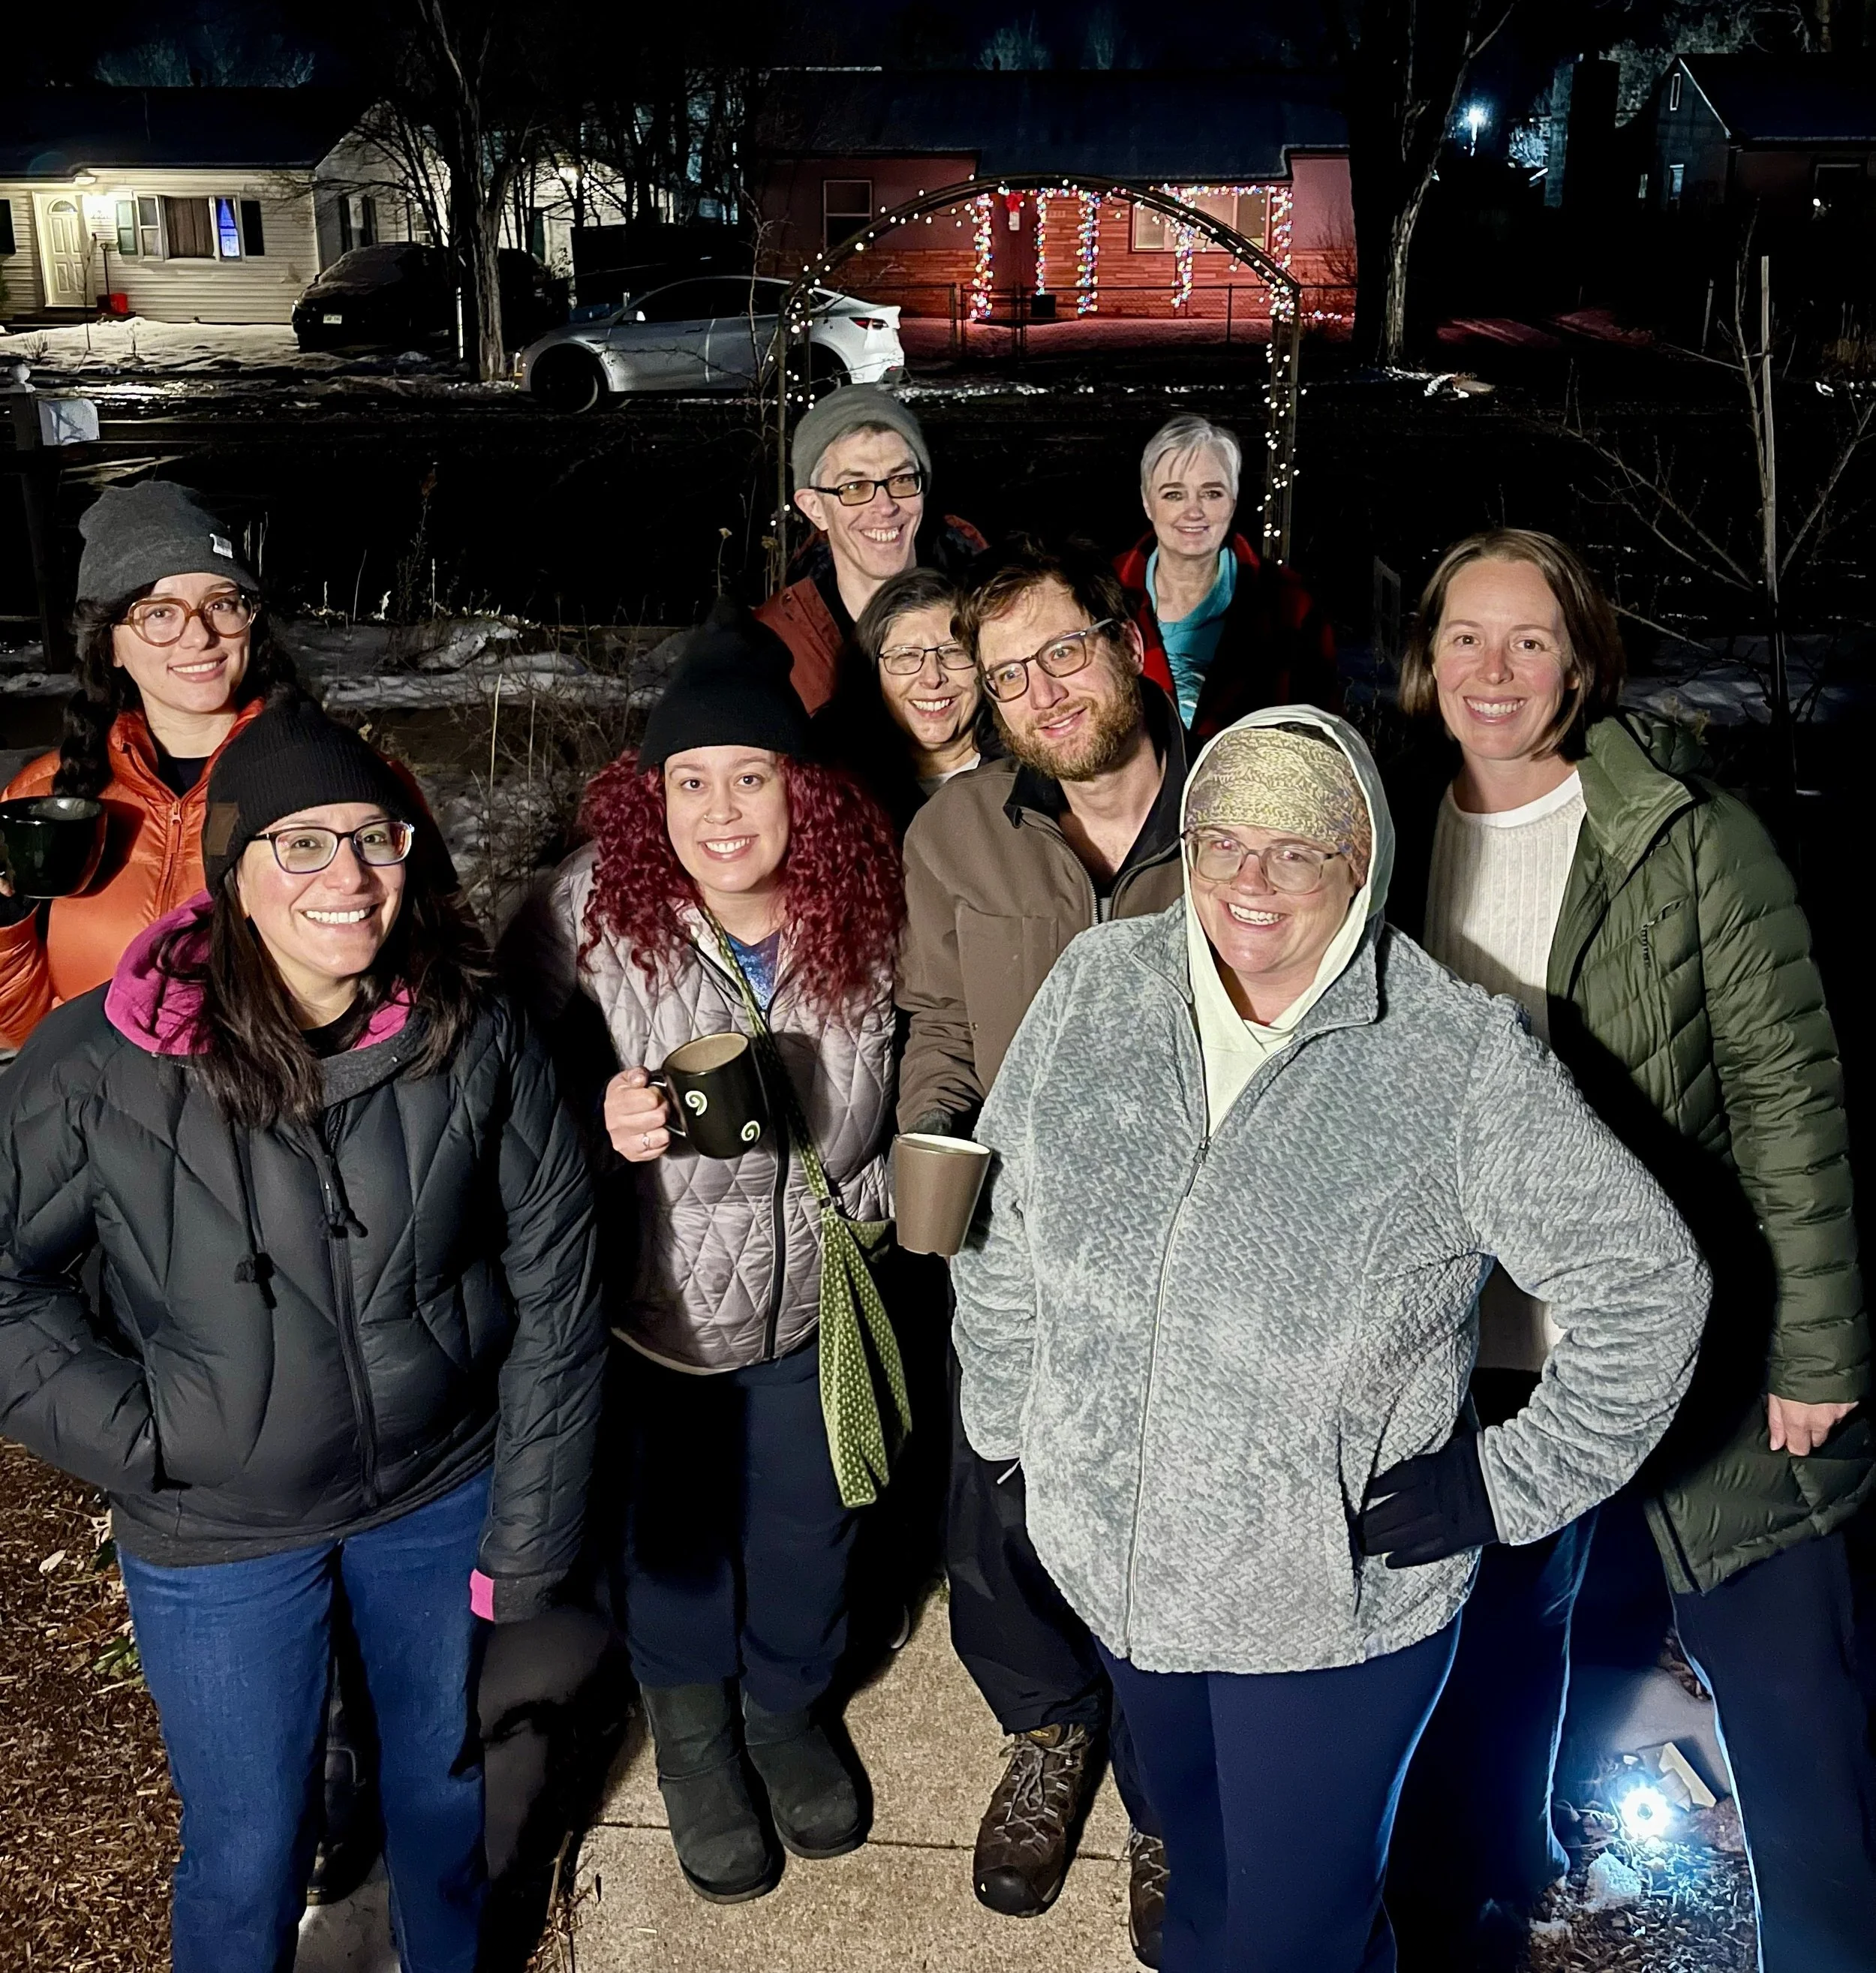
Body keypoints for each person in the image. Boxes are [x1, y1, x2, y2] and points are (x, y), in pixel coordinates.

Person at [952, 705, 1710, 1973]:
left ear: (1362, 862)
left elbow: (1653, 1285)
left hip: (1325, 1610)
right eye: (1224, 841)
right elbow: (1004, 1221)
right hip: (1121, 1573)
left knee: (1295, 1937)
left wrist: (1502, 1479)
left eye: (1300, 849)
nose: (1252, 881)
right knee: (1194, 1891)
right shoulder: (1098, 988)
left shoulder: (1452, 1058)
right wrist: (1013, 1429)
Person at [0, 700, 604, 1973]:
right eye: (301, 844)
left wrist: (531, 1519)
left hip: (436, 1493)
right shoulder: (107, 1063)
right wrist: (141, 1430)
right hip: (219, 1532)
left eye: (373, 837)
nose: (348, 875)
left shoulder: (471, 1028)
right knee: (247, 1840)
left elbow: (559, 1267)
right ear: (232, 871)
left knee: (441, 1793)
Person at [1383, 529, 1876, 1973]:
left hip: (1703, 1347)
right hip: (1488, 1352)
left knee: (1790, 1700)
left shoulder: (1687, 838)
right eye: (1464, 636)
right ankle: (1486, 1899)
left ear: (1581, 657)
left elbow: (1792, 1097)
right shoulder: (1391, 837)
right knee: (1489, 1670)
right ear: (1425, 659)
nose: (1493, 670)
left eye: (1528, 639)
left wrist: (1817, 1347)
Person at [501, 601, 905, 1905]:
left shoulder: (867, 909)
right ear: (651, 793)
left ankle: (786, 1713)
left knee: (811, 1531)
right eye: (690, 778)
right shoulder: (580, 914)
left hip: (811, 1308)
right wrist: (591, 1114)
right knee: (671, 1539)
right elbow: (491, 1096)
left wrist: (895, 1201)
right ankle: (691, 1738)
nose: (722, 809)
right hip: (653, 1310)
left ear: (804, 791)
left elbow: (927, 1085)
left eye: (751, 774)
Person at [897, 537, 1186, 1963]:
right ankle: (1046, 1731)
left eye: (1062, 650)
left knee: (1176, 1531)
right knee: (1002, 1518)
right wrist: (927, 1145)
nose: (1043, 690)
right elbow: (942, 1029)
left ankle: (1166, 1792)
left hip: (1199, 1254)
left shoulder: (1246, 807)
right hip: (1023, 1251)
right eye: (1008, 673)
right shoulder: (957, 837)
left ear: (1124, 639)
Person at [0, 479, 296, 1049]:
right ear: (109, 643)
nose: (199, 636)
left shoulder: (333, 783)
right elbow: (20, 1027)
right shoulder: (43, 798)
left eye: (221, 603)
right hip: (93, 1122)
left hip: (263, 1121)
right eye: (159, 612)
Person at [756, 386, 985, 714]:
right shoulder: (775, 644)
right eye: (855, 487)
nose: (885, 505)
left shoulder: (988, 614)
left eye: (902, 480)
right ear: (814, 507)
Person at [1114, 414, 1337, 742]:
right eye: (1174, 495)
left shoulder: (1289, 604)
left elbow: (1319, 734)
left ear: (1233, 501)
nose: (1194, 511)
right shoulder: (1102, 592)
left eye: (1212, 493)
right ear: (1148, 502)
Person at [815, 567, 994, 835]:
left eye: (953, 652)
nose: (932, 678)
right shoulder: (840, 799)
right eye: (906, 656)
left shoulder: (1029, 779)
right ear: (871, 673)